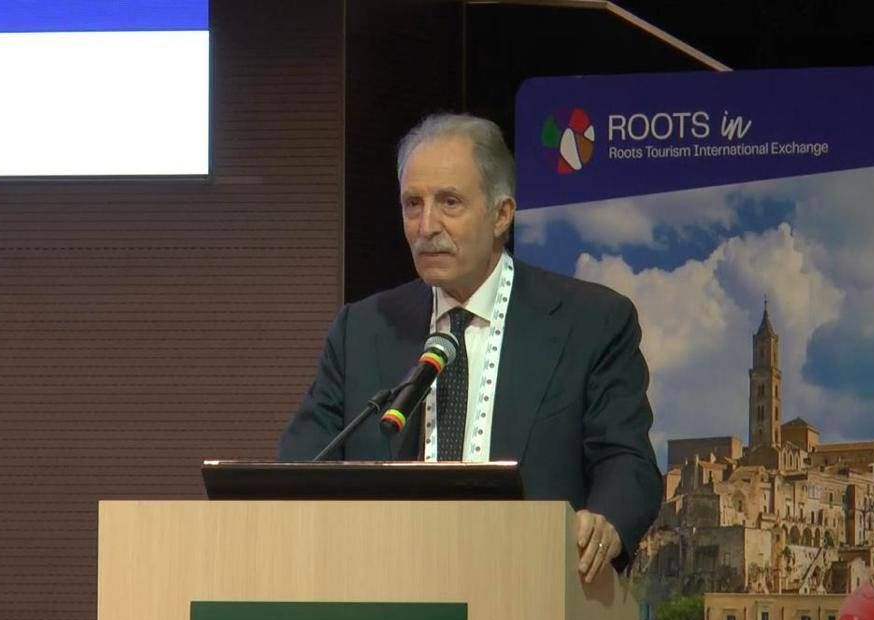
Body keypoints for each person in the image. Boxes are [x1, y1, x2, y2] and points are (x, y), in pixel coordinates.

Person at [278, 113, 662, 582]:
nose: (427, 225)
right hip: (386, 585)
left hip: (531, 586)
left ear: (502, 214)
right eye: (413, 204)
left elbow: (627, 462)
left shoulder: (590, 322)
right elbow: (299, 468)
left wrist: (606, 522)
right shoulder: (361, 330)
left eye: (450, 202)